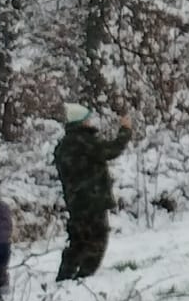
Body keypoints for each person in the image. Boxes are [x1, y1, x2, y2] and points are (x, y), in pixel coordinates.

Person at [54, 103, 132, 281]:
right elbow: (113, 149)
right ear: (81, 121)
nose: (90, 121)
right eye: (88, 118)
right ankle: (84, 278)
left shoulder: (62, 146)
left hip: (74, 203)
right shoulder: (87, 142)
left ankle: (64, 279)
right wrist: (125, 130)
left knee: (78, 242)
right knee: (98, 240)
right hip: (93, 202)